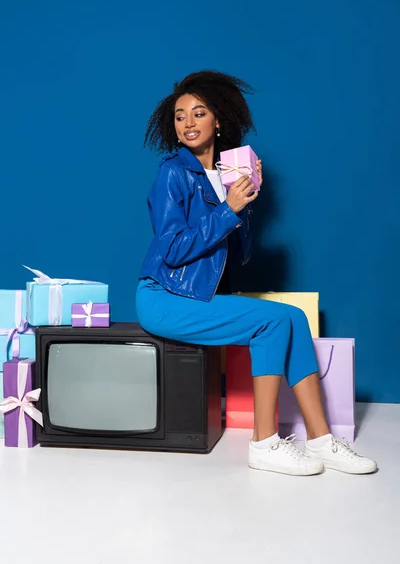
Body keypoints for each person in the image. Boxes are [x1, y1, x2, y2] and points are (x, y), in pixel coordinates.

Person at [136, 70, 377, 476]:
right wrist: (227, 208)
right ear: (173, 129)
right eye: (180, 117)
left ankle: (320, 439)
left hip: (195, 297)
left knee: (294, 317)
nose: (189, 123)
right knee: (269, 322)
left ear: (219, 121)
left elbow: (240, 255)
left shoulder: (225, 175)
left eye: (199, 113)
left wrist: (245, 199)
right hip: (164, 297)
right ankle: (264, 441)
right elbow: (174, 250)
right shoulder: (172, 173)